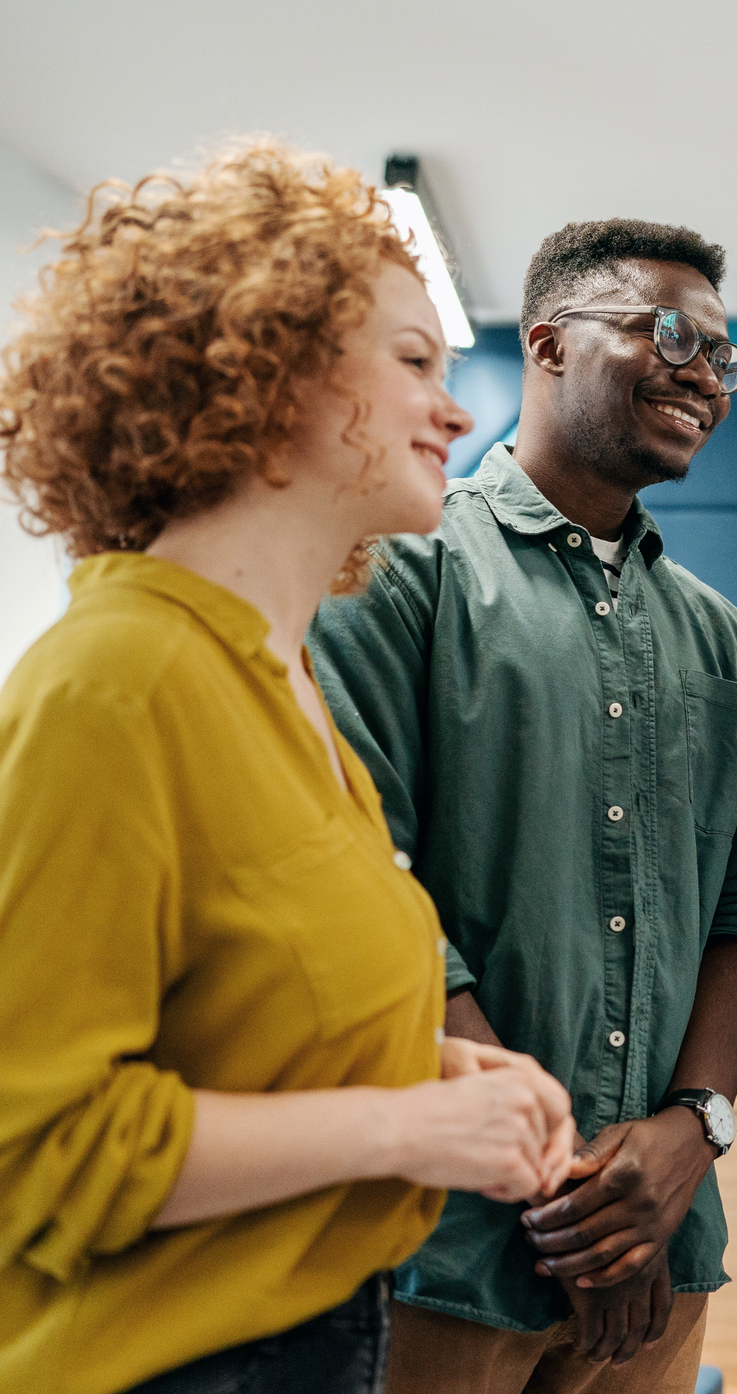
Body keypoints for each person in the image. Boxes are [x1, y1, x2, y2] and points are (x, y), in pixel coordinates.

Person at [0, 142, 577, 1393]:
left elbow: (239, 1023)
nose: (457, 404)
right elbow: (41, 1149)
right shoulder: (118, 680)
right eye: (413, 359)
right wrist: (410, 1124)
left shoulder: (283, 686)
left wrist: (430, 1067)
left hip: (316, 1341)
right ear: (261, 373)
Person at [309, 220, 737, 1391]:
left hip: (665, 1246)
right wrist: (567, 1185)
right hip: (445, 1242)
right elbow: (370, 890)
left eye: (722, 356)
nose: (700, 372)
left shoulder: (722, 640)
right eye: (665, 330)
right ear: (548, 343)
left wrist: (691, 1134)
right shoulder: (393, 568)